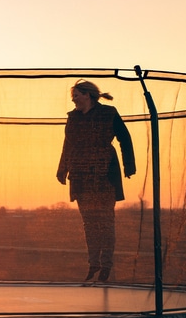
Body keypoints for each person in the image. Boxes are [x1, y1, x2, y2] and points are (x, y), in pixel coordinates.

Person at [56, 79, 135, 282]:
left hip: (104, 175)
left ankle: (106, 264)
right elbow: (68, 144)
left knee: (106, 222)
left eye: (76, 95)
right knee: (89, 223)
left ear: (88, 95)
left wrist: (129, 165)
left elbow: (124, 138)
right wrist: (62, 169)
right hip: (81, 176)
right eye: (72, 96)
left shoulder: (108, 113)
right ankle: (94, 264)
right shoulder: (73, 118)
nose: (73, 100)